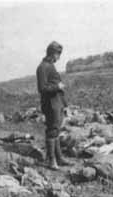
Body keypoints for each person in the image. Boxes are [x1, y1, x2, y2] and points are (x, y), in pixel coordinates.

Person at [36, 41, 72, 170]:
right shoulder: (42, 67)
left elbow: (58, 88)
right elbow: (42, 88)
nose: (59, 58)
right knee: (52, 131)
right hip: (50, 104)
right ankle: (51, 161)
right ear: (52, 54)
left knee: (56, 130)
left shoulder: (50, 66)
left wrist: (65, 105)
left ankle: (59, 157)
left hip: (57, 102)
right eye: (58, 54)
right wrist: (57, 86)